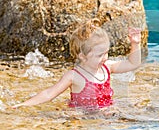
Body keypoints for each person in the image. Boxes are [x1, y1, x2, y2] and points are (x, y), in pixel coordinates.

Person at [13, 18, 141, 110]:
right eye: (99, 55)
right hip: (84, 116)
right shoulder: (74, 76)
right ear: (82, 56)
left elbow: (132, 63)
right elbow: (50, 93)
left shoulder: (107, 67)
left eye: (106, 52)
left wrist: (135, 44)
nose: (105, 58)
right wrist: (24, 105)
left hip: (105, 112)